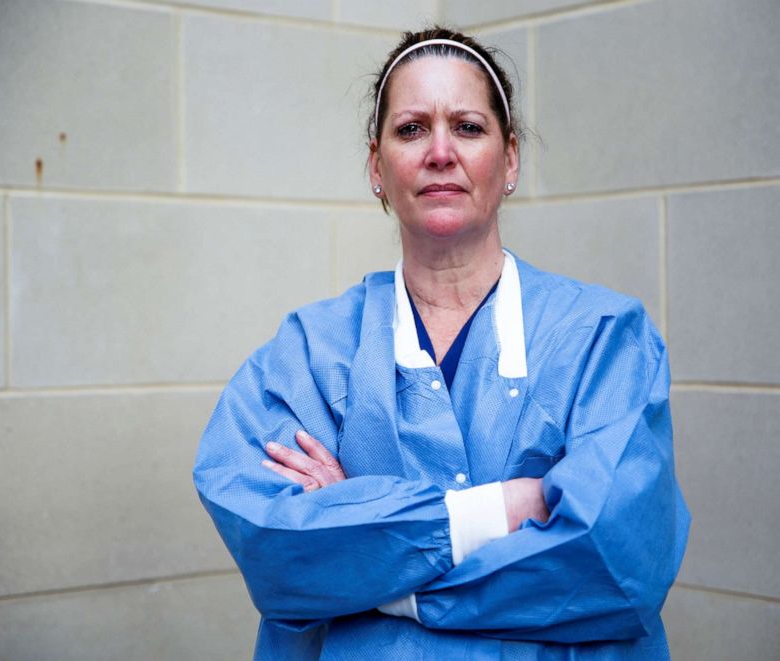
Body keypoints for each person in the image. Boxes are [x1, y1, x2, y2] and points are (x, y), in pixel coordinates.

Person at [194, 26, 689, 660]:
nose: (440, 152)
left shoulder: (604, 341)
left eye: (468, 126)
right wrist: (508, 509)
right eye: (410, 130)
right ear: (377, 166)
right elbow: (274, 546)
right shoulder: (311, 353)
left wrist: (367, 564)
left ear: (510, 159)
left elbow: (614, 561)